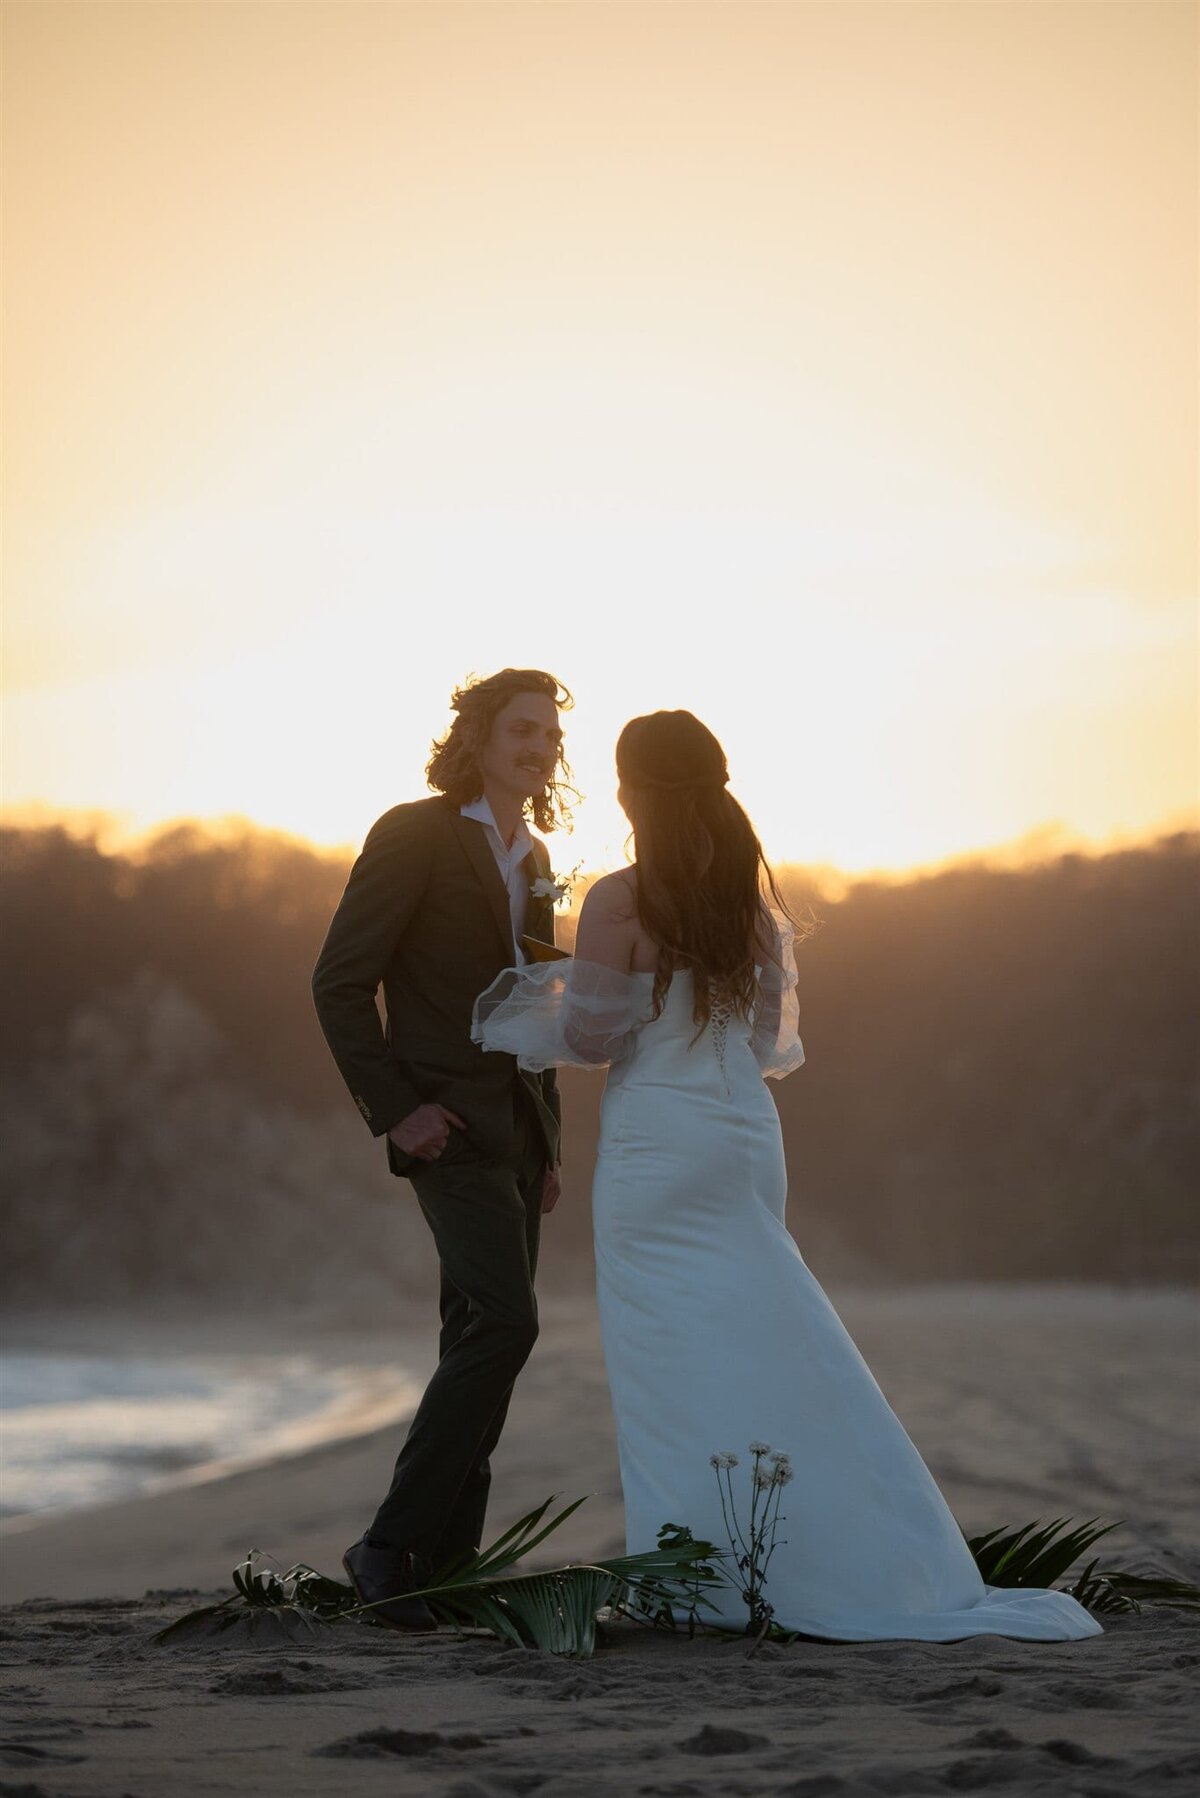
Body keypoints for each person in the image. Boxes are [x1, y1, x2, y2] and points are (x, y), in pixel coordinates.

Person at [472, 709, 1101, 1643]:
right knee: (772, 1323)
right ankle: (805, 1554)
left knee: (667, 1353)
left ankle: (703, 1575)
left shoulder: (620, 900)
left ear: (630, 789)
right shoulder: (751, 911)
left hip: (659, 1146)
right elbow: (769, 1044)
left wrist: (545, 997)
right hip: (739, 1136)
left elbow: (594, 1040)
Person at [311, 668, 572, 1630]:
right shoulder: (413, 832)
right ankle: (387, 1545)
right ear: (475, 734)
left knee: (479, 1339)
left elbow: (537, 1009)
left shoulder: (539, 855)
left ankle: (448, 1564)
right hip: (446, 1127)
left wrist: (548, 1140)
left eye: (548, 733)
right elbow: (338, 983)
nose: (537, 745)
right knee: (508, 1325)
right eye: (520, 728)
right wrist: (396, 1111)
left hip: (516, 1132)